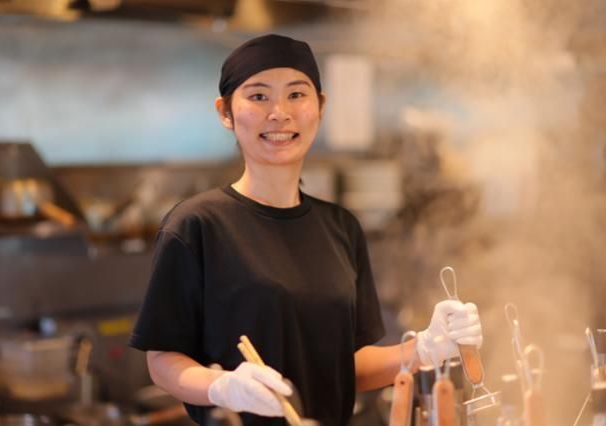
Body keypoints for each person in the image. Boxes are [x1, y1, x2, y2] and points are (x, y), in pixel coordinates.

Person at [129, 34, 482, 426]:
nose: (279, 113)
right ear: (225, 112)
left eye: (296, 95)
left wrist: (426, 348)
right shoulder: (197, 225)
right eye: (258, 96)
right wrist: (222, 386)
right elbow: (162, 360)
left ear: (320, 107)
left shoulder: (341, 228)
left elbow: (348, 366)